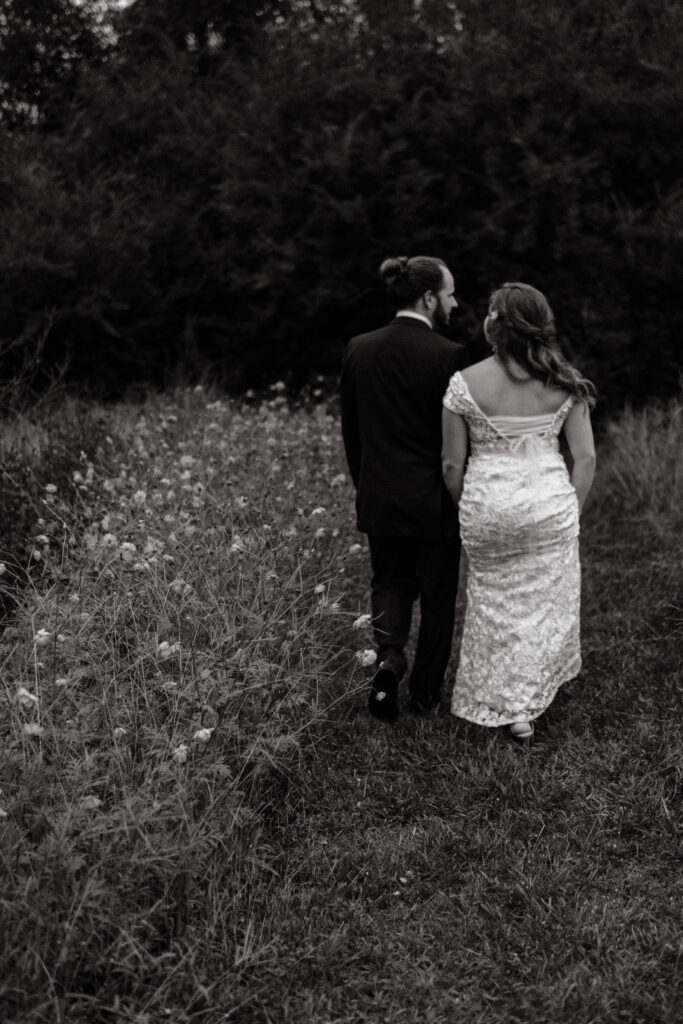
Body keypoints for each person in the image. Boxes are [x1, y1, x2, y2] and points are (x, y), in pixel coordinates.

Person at [441, 282, 596, 744]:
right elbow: (585, 459)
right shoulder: (565, 381)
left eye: (491, 311)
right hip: (550, 507)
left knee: (495, 602)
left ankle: (507, 700)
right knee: (544, 603)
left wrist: (467, 506)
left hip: (489, 508)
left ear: (496, 325)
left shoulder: (465, 382)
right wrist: (572, 511)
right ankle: (529, 699)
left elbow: (451, 464)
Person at [341, 255, 469, 721]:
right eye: (450, 293)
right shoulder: (448, 355)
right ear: (430, 297)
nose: (455, 303)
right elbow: (457, 441)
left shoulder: (359, 348)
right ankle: (425, 694)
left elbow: (352, 434)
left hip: (380, 496)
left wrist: (368, 487)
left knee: (390, 582)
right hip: (433, 500)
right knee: (437, 599)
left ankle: (390, 657)